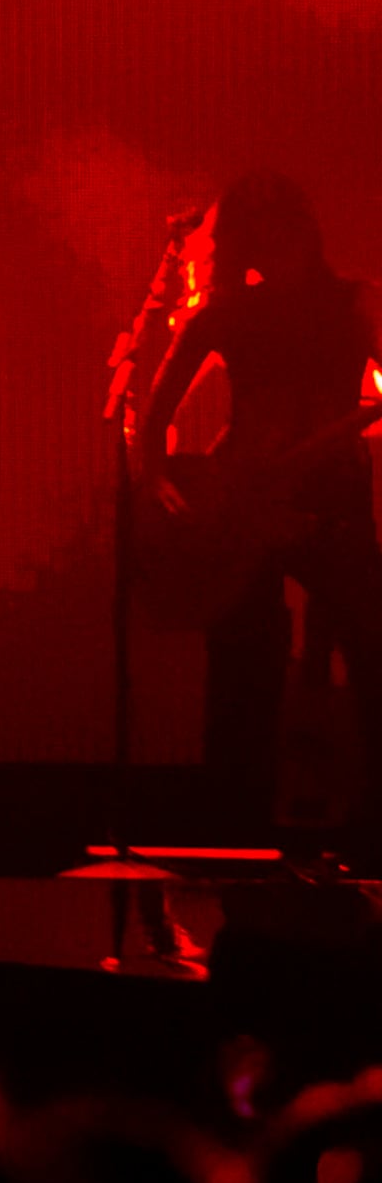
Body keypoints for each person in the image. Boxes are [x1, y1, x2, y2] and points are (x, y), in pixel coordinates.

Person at [138, 172, 382, 815]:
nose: (273, 238)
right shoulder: (223, 316)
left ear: (306, 230)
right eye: (257, 228)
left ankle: (363, 815)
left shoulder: (357, 304)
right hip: (242, 499)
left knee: (370, 646)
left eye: (283, 223)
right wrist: (162, 487)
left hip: (332, 495)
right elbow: (153, 420)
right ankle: (235, 817)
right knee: (245, 660)